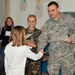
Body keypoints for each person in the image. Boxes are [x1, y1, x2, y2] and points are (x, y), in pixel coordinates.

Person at [37, 1, 75, 75]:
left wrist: (72, 39)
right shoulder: (48, 23)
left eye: (53, 10)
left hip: (67, 55)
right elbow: (43, 38)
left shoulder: (68, 19)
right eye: (49, 11)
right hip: (53, 56)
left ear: (58, 9)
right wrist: (40, 48)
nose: (51, 13)